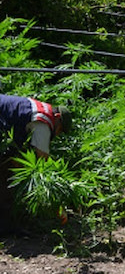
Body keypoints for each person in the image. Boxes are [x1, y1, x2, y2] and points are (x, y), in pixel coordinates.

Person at [0, 95, 73, 228]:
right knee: (6, 178)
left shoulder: (41, 108)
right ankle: (6, 226)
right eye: (60, 130)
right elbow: (42, 165)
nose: (57, 134)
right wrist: (57, 205)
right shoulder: (43, 123)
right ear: (57, 118)